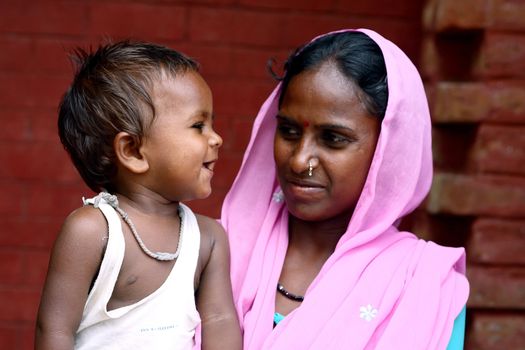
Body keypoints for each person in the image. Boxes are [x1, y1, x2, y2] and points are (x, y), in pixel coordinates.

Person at [221, 29, 469, 349]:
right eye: (289, 131)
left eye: (333, 139)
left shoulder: (426, 285)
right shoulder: (212, 252)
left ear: (387, 151)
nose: (300, 162)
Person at [35, 41, 241, 350]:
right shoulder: (92, 231)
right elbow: (54, 330)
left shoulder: (209, 239)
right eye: (198, 125)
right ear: (132, 151)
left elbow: (220, 320)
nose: (216, 138)